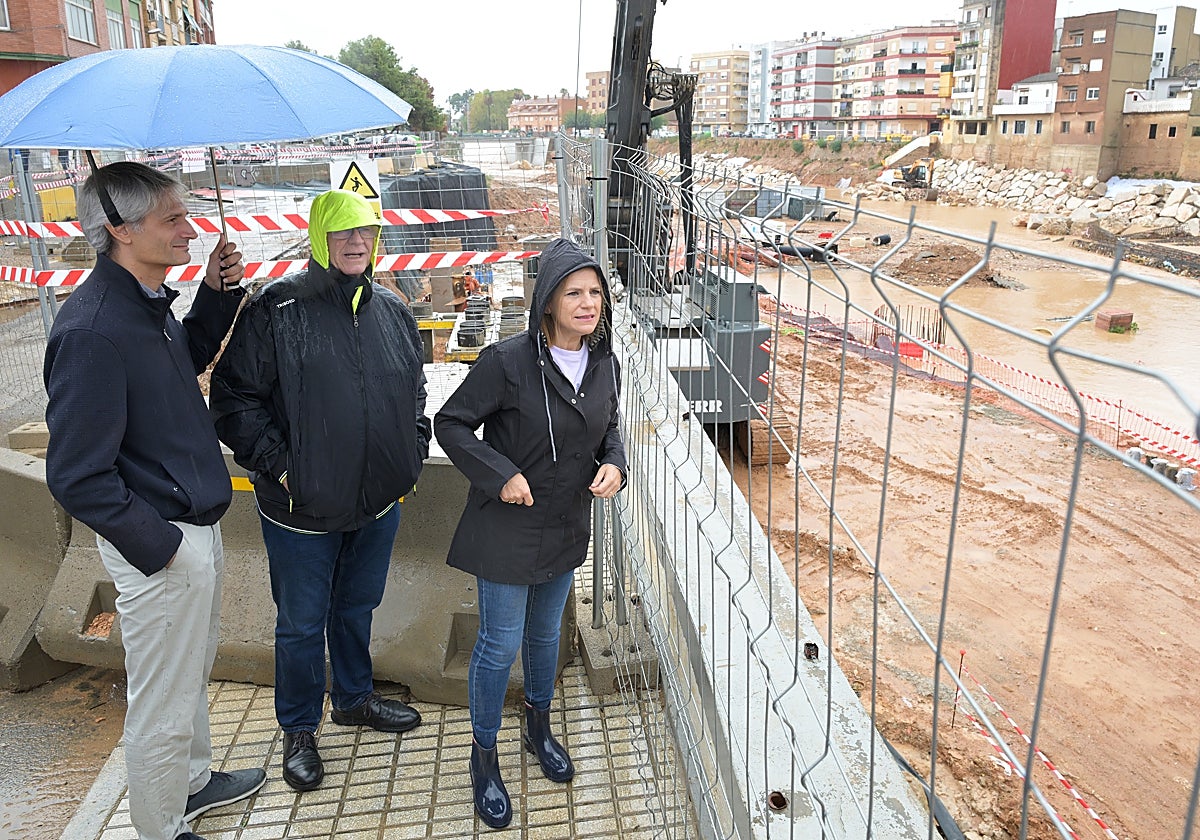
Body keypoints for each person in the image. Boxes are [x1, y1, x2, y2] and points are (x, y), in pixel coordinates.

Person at [43, 161, 264, 840]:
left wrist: (216, 293)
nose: (189, 230)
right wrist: (164, 550)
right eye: (172, 219)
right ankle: (160, 828)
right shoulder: (93, 330)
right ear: (120, 229)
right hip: (162, 542)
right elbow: (77, 475)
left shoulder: (144, 303)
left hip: (190, 526)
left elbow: (181, 360)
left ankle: (192, 784)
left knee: (188, 673)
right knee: (163, 699)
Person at [209, 189, 431, 793]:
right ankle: (300, 729)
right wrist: (286, 469)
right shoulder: (277, 308)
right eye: (343, 232)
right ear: (318, 238)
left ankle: (354, 698)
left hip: (376, 503)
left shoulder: (393, 310)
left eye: (366, 231)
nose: (357, 242)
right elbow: (233, 400)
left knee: (356, 606)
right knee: (302, 624)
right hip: (300, 509)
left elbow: (414, 391)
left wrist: (408, 454)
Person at [434, 238, 626, 829]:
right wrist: (501, 475)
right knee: (499, 643)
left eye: (595, 293)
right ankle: (483, 755)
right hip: (508, 527)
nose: (588, 303)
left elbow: (610, 427)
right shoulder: (507, 362)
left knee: (545, 636)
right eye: (574, 293)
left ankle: (538, 725)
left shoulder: (604, 363)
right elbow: (451, 423)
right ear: (547, 302)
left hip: (565, 524)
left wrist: (616, 463)